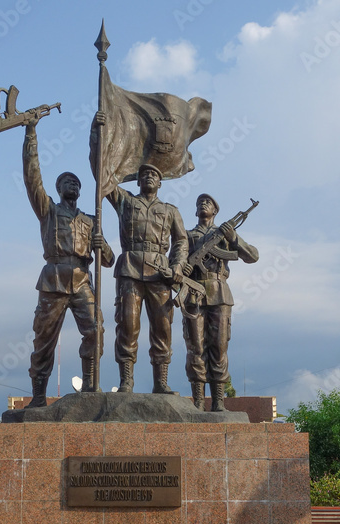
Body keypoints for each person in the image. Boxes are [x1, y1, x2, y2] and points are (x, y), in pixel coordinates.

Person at [22, 119, 113, 407]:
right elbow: (32, 177)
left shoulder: (90, 220)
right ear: (59, 188)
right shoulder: (48, 210)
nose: (72, 184)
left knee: (95, 330)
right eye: (66, 181)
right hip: (54, 276)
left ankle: (89, 384)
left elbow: (108, 260)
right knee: (44, 337)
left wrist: (102, 246)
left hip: (82, 278)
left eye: (76, 182)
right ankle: (38, 394)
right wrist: (31, 134)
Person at [106, 163, 187, 393]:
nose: (149, 177)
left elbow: (181, 241)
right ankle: (126, 380)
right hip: (130, 269)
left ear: (160, 183)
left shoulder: (171, 211)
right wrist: (99, 136)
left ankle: (161, 382)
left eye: (154, 175)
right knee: (128, 325)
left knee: (163, 327)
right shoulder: (126, 201)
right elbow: (103, 174)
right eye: (144, 175)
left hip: (160, 273)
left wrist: (178, 266)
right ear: (138, 181)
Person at [181, 194, 259, 411]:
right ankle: (197, 403)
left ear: (215, 211)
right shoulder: (187, 235)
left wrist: (234, 238)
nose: (203, 204)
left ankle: (218, 403)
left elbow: (253, 256)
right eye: (199, 203)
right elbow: (174, 263)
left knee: (219, 347)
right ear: (195, 211)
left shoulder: (224, 234)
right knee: (195, 348)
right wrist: (183, 268)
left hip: (219, 293)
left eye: (208, 203)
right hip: (194, 293)